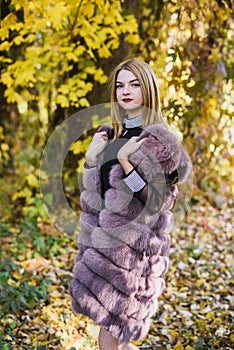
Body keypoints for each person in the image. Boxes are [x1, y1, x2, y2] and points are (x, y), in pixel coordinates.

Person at [69, 59, 191, 350]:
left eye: (134, 84)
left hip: (133, 257)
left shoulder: (160, 142)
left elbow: (155, 201)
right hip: (104, 251)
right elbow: (95, 197)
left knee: (109, 340)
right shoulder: (110, 136)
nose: (126, 91)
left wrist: (126, 163)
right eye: (120, 85)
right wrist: (91, 159)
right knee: (119, 342)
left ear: (147, 89)